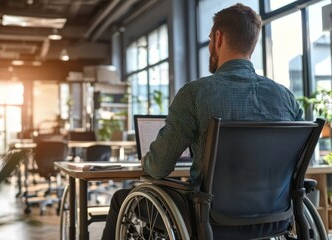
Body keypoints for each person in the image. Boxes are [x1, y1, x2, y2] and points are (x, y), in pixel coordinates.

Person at [101, 3, 303, 239]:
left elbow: (158, 167)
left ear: (218, 38)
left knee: (120, 199)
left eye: (209, 39)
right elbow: (297, 165)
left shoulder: (195, 93)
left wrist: (147, 161)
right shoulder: (286, 97)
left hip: (210, 218)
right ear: (253, 43)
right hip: (276, 217)